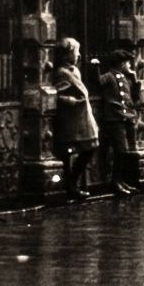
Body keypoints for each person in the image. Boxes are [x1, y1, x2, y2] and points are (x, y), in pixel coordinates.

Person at [53, 38, 99, 201]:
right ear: (67, 55)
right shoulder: (62, 73)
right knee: (70, 152)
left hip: (82, 118)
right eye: (76, 52)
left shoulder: (75, 71)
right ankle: (71, 186)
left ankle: (72, 183)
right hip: (71, 119)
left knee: (90, 148)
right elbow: (56, 94)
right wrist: (69, 100)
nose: (78, 55)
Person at [95, 48, 138, 198]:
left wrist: (135, 78)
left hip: (126, 118)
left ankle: (120, 180)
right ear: (120, 64)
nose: (129, 66)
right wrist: (96, 67)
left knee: (126, 151)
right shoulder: (109, 76)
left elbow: (134, 97)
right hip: (114, 119)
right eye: (127, 63)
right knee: (121, 150)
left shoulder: (126, 78)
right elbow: (98, 82)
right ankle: (115, 181)